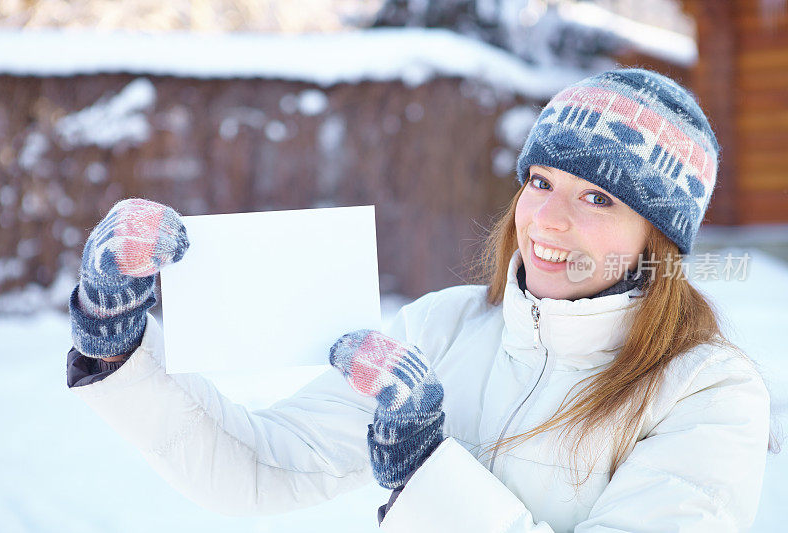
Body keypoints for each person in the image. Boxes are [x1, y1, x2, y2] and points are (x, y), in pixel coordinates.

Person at [67, 68, 774, 532]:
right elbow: (263, 468)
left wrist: (425, 468)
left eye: (597, 197)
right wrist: (116, 342)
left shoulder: (709, 393)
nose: (549, 221)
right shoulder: (444, 327)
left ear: (657, 236)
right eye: (541, 182)